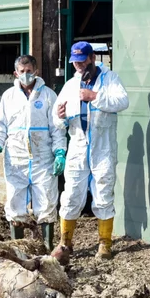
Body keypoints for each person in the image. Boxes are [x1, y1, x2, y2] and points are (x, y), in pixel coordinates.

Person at [55, 41, 129, 259]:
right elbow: (57, 117)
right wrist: (59, 117)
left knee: (104, 193)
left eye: (81, 62)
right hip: (78, 145)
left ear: (92, 59)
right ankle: (65, 243)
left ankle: (105, 244)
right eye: (74, 63)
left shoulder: (110, 78)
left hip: (102, 147)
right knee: (71, 195)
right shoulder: (70, 85)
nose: (78, 66)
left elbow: (122, 101)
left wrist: (94, 97)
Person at [0, 55, 67, 251]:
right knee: (15, 202)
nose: (26, 75)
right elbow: (0, 126)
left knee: (47, 201)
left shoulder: (48, 95)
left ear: (36, 71)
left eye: (29, 70)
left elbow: (56, 127)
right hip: (16, 157)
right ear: (16, 73)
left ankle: (47, 248)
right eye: (22, 72)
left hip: (43, 158)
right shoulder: (9, 97)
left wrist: (59, 152)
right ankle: (18, 247)